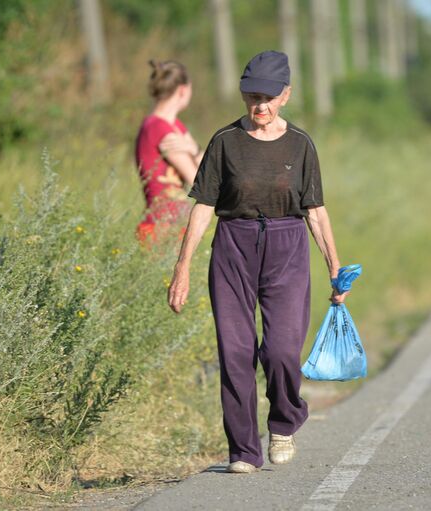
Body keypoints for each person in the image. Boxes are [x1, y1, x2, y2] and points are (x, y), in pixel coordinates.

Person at [167, 50, 349, 474]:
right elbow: (202, 207)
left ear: (286, 95)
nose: (260, 105)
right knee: (235, 351)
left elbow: (316, 211)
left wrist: (335, 268)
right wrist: (182, 269)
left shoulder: (300, 145)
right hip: (233, 245)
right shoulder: (224, 142)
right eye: (251, 96)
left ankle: (283, 423)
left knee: (283, 350)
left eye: (268, 97)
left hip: (286, 246)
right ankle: (243, 450)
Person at [135, 60, 203, 243]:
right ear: (183, 90)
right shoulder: (159, 128)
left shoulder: (174, 126)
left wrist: (195, 150)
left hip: (174, 225)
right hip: (161, 228)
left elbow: (206, 165)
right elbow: (199, 180)